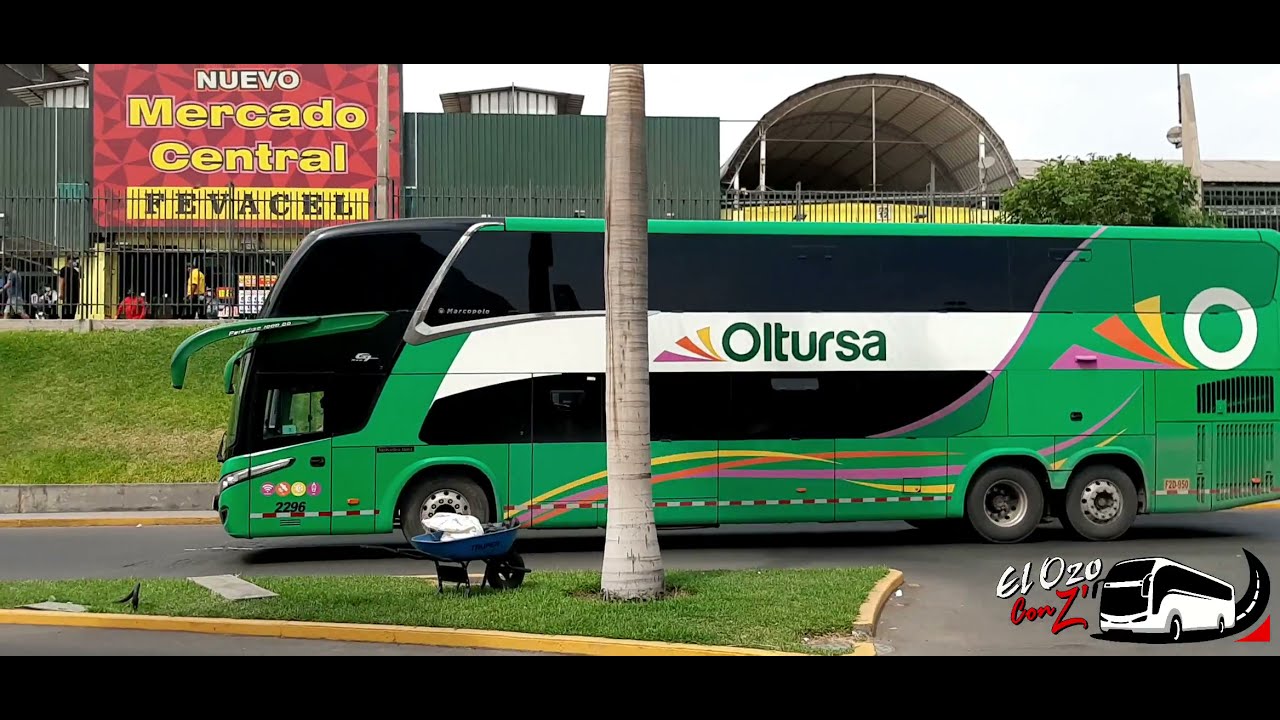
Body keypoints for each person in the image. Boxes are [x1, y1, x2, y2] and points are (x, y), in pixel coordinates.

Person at [57, 255, 81, 320]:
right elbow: (62, 282)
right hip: (67, 294)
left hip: (75, 295)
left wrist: (78, 297)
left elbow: (78, 284)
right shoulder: (64, 270)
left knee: (73, 311)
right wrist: (61, 293)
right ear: (68, 261)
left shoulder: (76, 271)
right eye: (73, 260)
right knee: (66, 311)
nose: (75, 262)